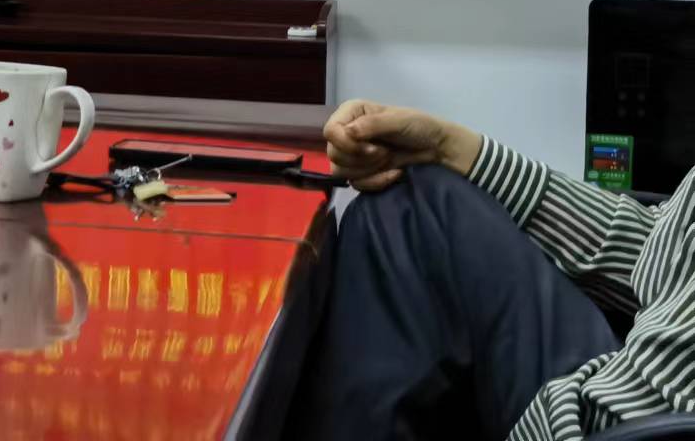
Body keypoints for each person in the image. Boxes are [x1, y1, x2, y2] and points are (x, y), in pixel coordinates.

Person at [298, 97, 695, 440]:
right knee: (409, 210)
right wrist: (448, 148)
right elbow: (661, 249)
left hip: (630, 419)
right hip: (646, 373)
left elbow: (628, 414)